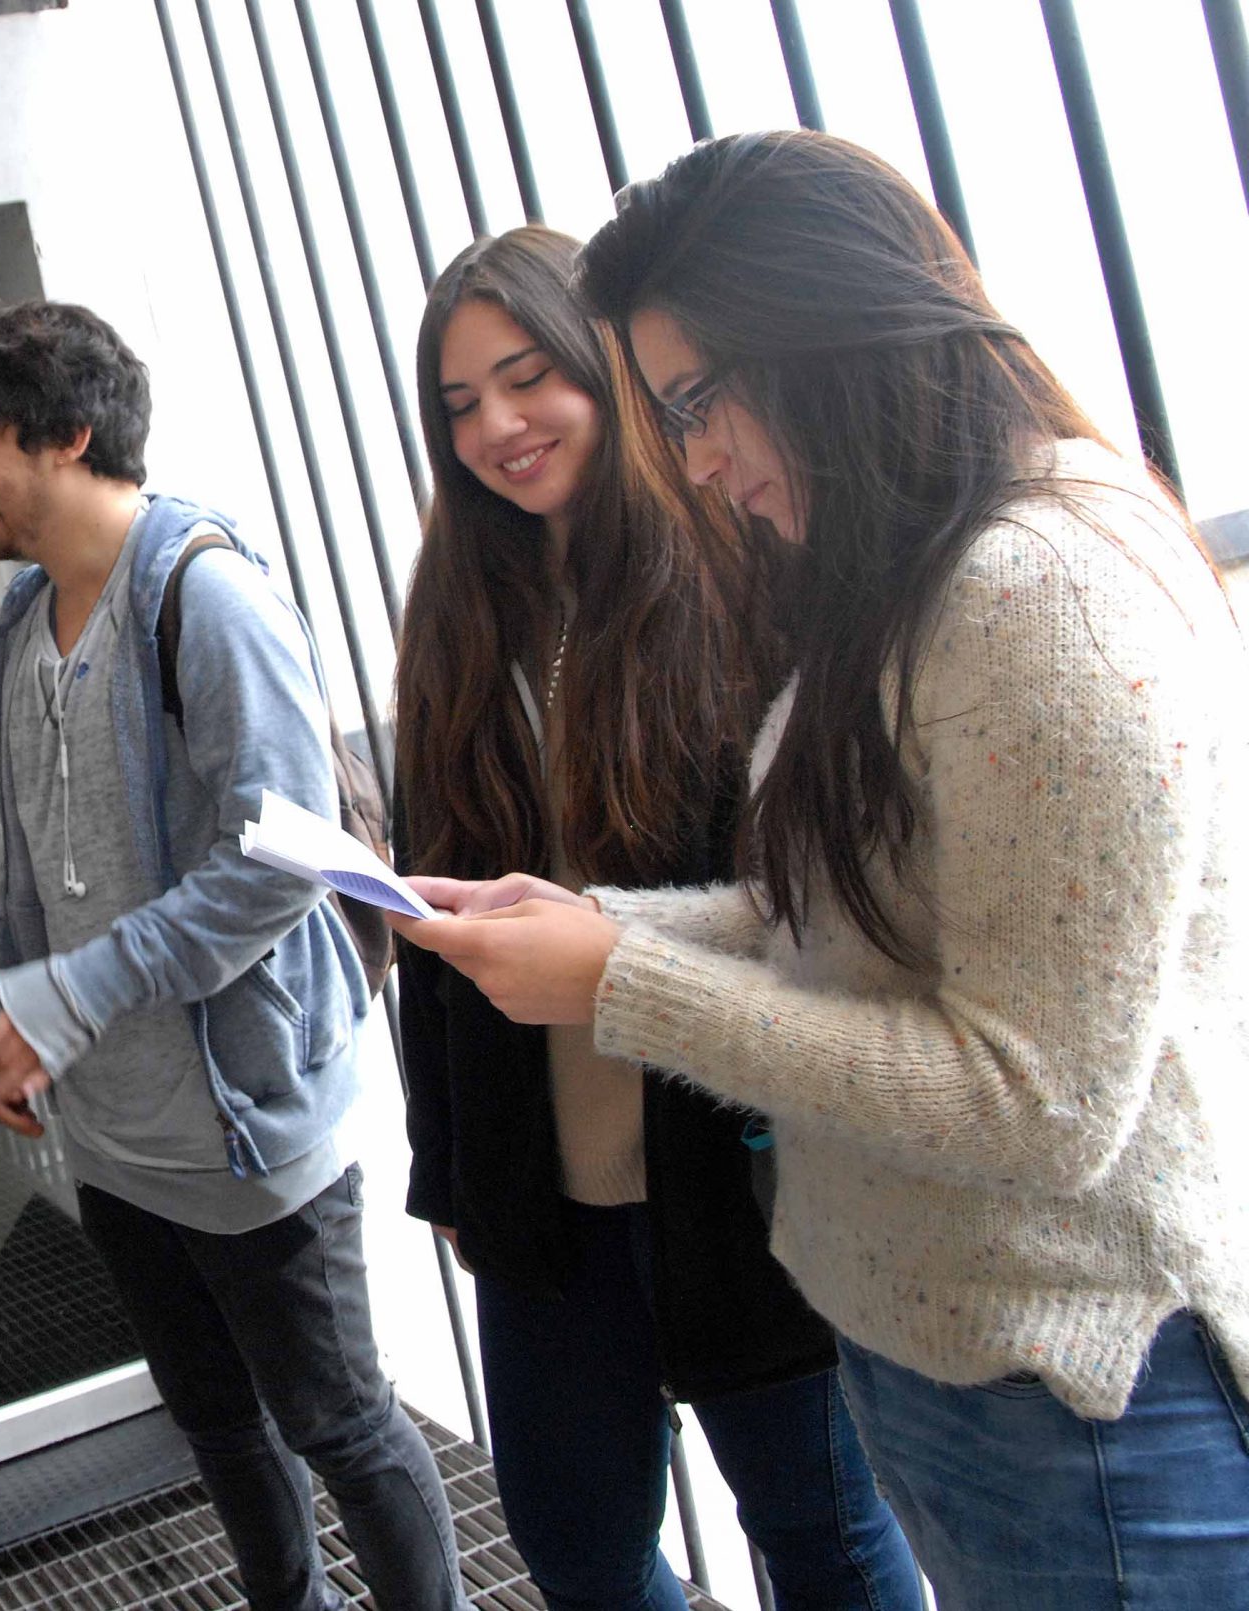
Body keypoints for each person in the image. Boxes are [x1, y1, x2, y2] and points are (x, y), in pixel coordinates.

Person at [397, 130, 1249, 1610]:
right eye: (460, 403)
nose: (697, 454)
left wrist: (622, 976)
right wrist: (602, 929)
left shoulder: (1036, 588)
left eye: (694, 401)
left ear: (816, 335)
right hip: (935, 1340)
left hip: (1066, 1375)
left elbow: (1040, 1096)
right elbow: (830, 912)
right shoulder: (909, 577)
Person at [395, 226, 919, 1611]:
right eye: (460, 404)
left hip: (736, 1160)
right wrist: (449, 1166)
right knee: (578, 1547)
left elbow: (806, 901)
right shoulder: (458, 612)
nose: (498, 427)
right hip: (543, 1180)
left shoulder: (737, 577)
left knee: (820, 1535)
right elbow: (427, 926)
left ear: (605, 368)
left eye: (528, 379)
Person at [0, 300, 464, 1611]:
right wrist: (7, 993)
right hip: (115, 1142)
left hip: (245, 1133)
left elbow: (280, 863)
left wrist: (70, 997)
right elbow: (25, 844)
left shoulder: (205, 595)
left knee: (343, 1427)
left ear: (67, 434)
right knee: (218, 1425)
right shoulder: (21, 618)